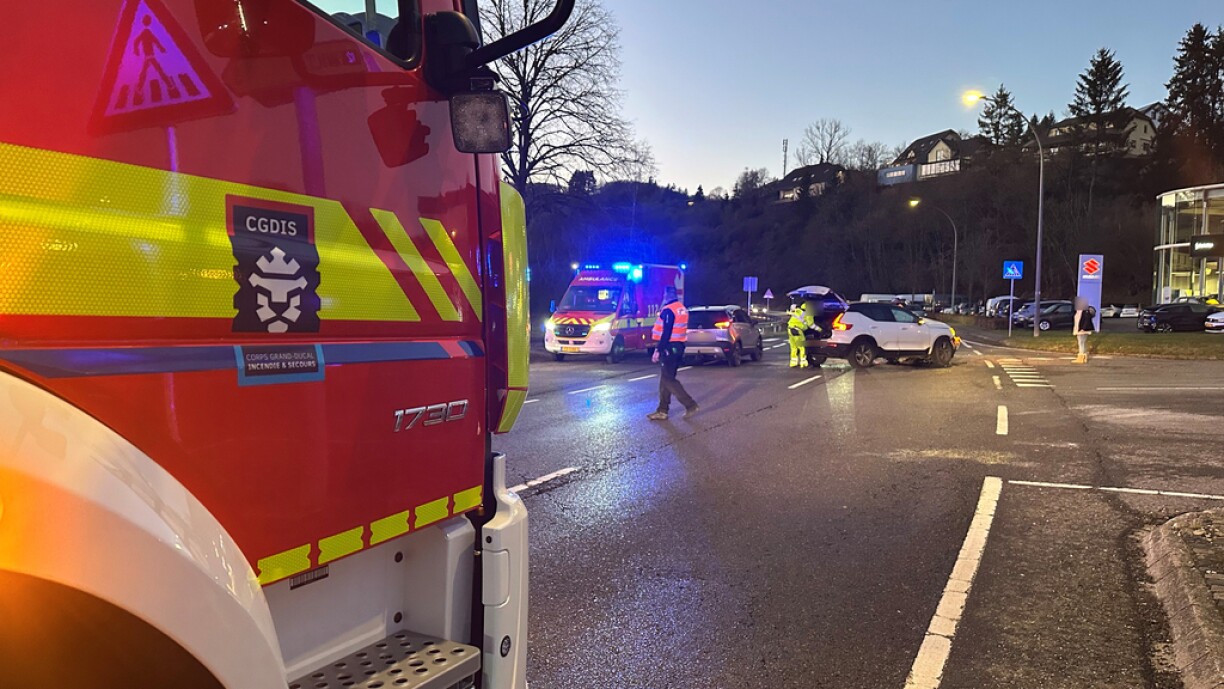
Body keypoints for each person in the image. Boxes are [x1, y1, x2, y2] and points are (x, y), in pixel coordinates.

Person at [646, 286, 698, 420]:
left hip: (669, 348)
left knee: (668, 380)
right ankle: (662, 410)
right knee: (665, 379)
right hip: (678, 346)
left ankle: (690, 404)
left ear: (666, 295)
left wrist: (658, 350)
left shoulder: (669, 310)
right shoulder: (681, 308)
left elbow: (666, 332)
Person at [787, 298, 814, 368]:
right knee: (802, 347)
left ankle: (793, 363)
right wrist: (820, 330)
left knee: (793, 347)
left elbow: (792, 308)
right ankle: (803, 362)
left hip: (790, 329)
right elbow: (811, 324)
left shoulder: (798, 310)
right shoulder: (808, 313)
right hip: (797, 330)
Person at [1073, 296, 1095, 364]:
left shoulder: (1084, 312)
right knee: (1083, 343)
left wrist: (1082, 329)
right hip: (1081, 329)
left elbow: (1086, 321)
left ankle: (1081, 357)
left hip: (1082, 330)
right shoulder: (1082, 311)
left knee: (1081, 343)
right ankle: (1084, 357)